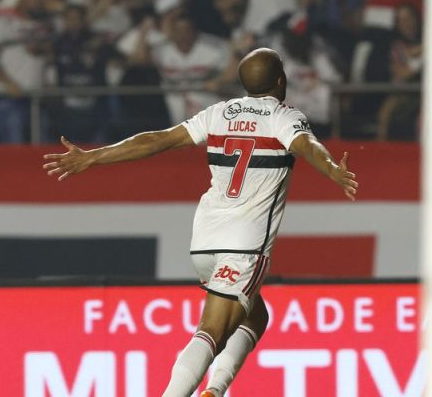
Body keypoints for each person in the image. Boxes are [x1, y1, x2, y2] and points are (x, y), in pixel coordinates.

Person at [42, 47, 358, 397]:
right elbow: (308, 145)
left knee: (255, 317)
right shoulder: (283, 116)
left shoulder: (220, 112)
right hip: (244, 246)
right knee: (211, 331)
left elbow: (158, 139)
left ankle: (214, 391)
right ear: (281, 81)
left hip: (205, 241)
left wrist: (93, 157)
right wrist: (331, 169)